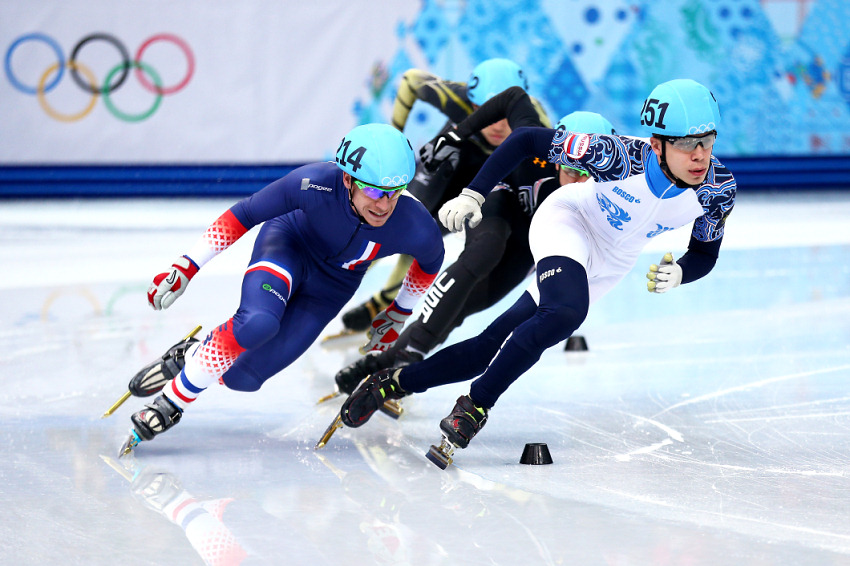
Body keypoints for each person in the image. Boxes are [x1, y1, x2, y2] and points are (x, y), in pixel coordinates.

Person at [337, 79, 737, 466]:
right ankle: (475, 406)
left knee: (490, 345)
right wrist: (474, 193)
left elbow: (704, 252)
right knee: (566, 312)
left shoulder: (718, 189)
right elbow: (526, 140)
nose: (700, 155)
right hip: (569, 222)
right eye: (687, 144)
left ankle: (393, 383)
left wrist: (681, 272)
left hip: (612, 261)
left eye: (707, 141)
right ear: (657, 144)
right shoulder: (616, 155)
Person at [119, 123, 444, 455]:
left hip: (333, 286)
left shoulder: (413, 222)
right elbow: (245, 213)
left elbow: (431, 262)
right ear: (347, 179)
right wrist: (187, 266)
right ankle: (170, 404)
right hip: (288, 246)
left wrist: (399, 311)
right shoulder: (314, 182)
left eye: (395, 192)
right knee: (258, 322)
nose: (384, 205)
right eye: (373, 191)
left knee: (244, 379)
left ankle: (191, 355)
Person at [332, 110, 616, 396]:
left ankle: (379, 364)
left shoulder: (615, 188)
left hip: (530, 243)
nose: (579, 183)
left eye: (589, 175)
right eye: (571, 171)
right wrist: (470, 184)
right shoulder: (537, 143)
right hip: (501, 202)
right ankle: (410, 352)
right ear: (555, 159)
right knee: (486, 249)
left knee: (465, 306)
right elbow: (511, 101)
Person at [336, 58, 550, 335]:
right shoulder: (456, 98)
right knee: (398, 222)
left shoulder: (535, 117)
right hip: (448, 162)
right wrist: (394, 136)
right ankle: (340, 271)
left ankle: (383, 300)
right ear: (471, 104)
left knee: (427, 238)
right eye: (488, 112)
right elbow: (411, 81)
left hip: (484, 177)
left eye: (505, 115)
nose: (497, 126)